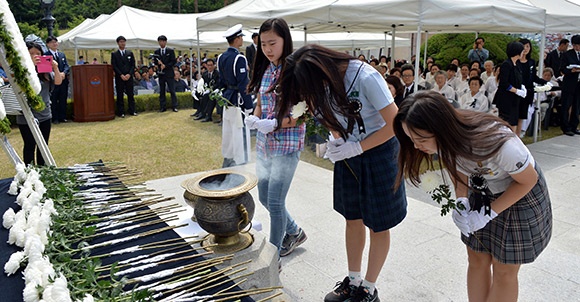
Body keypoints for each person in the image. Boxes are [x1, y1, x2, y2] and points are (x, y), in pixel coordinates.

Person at [276, 44, 407, 302]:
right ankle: (353, 279)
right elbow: (322, 113)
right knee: (352, 217)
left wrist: (358, 146)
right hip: (349, 151)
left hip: (379, 151)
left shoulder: (366, 77)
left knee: (378, 224)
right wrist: (337, 139)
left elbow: (396, 123)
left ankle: (369, 288)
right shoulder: (319, 81)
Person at [394, 90, 552, 302]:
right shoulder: (446, 139)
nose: (416, 146)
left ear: (440, 128)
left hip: (519, 193)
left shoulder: (499, 143)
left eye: (420, 139)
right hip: (483, 189)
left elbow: (528, 180)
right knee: (476, 257)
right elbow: (459, 166)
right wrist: (462, 199)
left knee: (504, 269)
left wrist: (488, 214)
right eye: (412, 139)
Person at [244, 18, 308, 261]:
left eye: (273, 43)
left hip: (286, 145)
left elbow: (306, 114)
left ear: (285, 40)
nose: (268, 49)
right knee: (263, 196)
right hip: (265, 144)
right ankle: (295, 232)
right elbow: (262, 101)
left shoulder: (297, 70)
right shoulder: (267, 68)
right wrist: (255, 116)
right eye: (263, 45)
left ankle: (273, 255)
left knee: (275, 202)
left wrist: (276, 123)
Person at [19, 42, 63, 165]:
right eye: (31, 53)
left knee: (43, 145)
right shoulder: (21, 70)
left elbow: (58, 81)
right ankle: (30, 172)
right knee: (29, 145)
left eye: (38, 53)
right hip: (26, 115)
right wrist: (31, 66)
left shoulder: (45, 69)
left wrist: (55, 67)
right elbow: (21, 84)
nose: (35, 56)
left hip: (45, 113)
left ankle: (43, 171)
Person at [216, 24, 254, 167]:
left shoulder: (221, 57)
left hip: (227, 98)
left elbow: (221, 81)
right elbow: (244, 85)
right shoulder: (239, 58)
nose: (242, 40)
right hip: (238, 100)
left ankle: (228, 158)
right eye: (240, 37)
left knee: (229, 130)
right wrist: (249, 106)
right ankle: (241, 161)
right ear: (236, 39)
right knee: (241, 131)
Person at [493, 41, 526, 133]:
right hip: (506, 99)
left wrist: (522, 88)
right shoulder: (506, 64)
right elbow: (504, 83)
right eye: (522, 51)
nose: (523, 53)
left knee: (514, 121)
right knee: (507, 123)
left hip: (514, 100)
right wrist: (516, 91)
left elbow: (518, 79)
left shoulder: (517, 64)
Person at [517, 39, 547, 137]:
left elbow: (534, 77)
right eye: (524, 46)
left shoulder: (531, 62)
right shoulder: (515, 61)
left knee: (523, 115)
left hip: (528, 92)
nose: (525, 49)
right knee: (515, 115)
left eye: (528, 46)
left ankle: (520, 133)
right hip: (517, 91)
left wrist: (545, 83)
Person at [558, 34, 580, 136]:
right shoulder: (567, 55)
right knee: (566, 105)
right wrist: (571, 70)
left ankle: (574, 126)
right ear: (574, 45)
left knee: (577, 106)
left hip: (579, 84)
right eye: (577, 45)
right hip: (569, 83)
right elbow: (562, 69)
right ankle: (565, 127)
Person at [45, 36, 69, 124]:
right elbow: (47, 69)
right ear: (48, 44)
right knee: (53, 99)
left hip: (63, 80)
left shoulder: (62, 54)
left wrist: (64, 73)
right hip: (53, 81)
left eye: (56, 42)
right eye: (52, 42)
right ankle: (55, 118)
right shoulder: (46, 55)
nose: (54, 43)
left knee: (63, 99)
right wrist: (56, 75)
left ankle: (63, 117)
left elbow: (66, 66)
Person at [111, 36, 137, 118]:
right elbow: (114, 66)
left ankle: (132, 110)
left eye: (124, 42)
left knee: (130, 94)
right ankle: (121, 112)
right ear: (118, 43)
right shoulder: (114, 54)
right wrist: (121, 75)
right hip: (120, 77)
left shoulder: (130, 53)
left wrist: (129, 74)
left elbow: (133, 65)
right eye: (121, 42)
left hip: (129, 76)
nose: (122, 43)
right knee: (120, 95)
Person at [154, 35, 178, 112]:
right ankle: (162, 107)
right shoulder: (156, 52)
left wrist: (166, 66)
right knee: (162, 90)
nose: (161, 43)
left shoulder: (170, 51)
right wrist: (158, 64)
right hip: (161, 74)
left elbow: (173, 61)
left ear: (165, 42)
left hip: (169, 73)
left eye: (163, 41)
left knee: (172, 90)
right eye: (160, 41)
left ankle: (174, 106)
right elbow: (155, 61)